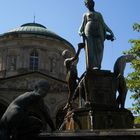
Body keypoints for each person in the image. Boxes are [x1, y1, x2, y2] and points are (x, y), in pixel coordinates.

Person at [79, 0, 114, 70]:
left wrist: (110, 31)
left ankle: (98, 65)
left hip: (99, 31)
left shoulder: (98, 14)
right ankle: (92, 66)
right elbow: (82, 26)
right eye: (88, 3)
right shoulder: (85, 15)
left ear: (93, 4)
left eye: (91, 3)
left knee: (99, 48)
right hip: (88, 30)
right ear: (86, 5)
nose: (90, 4)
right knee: (90, 48)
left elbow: (103, 24)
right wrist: (80, 32)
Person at [62, 43, 84, 110]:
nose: (69, 54)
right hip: (70, 77)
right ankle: (68, 104)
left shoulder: (72, 64)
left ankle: (70, 103)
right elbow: (75, 57)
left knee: (78, 90)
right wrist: (79, 49)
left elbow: (74, 72)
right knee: (72, 92)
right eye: (68, 53)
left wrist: (78, 78)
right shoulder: (67, 61)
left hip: (73, 77)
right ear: (65, 55)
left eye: (69, 53)